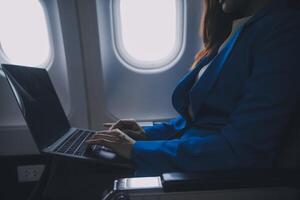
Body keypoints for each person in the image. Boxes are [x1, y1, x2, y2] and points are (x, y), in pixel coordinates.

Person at [86, 0, 300, 176]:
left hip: (211, 174)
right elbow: (198, 119)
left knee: (83, 175)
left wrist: (136, 150)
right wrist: (145, 135)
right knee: (81, 163)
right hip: (192, 156)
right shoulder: (239, 29)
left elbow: (242, 149)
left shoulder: (283, 30)